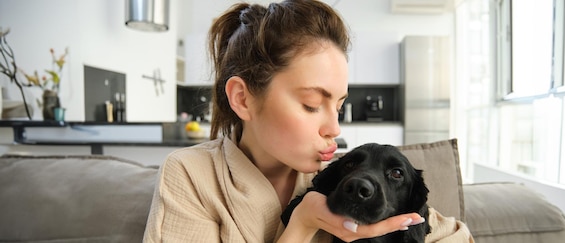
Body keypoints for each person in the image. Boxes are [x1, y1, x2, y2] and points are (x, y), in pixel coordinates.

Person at [143, 0, 472, 242]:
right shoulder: (191, 175)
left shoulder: (343, 179)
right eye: (312, 104)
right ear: (243, 99)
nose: (335, 129)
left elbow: (456, 236)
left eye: (338, 107)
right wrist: (300, 225)